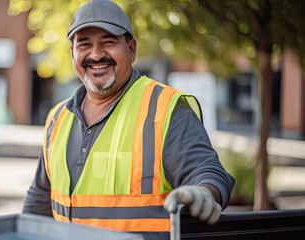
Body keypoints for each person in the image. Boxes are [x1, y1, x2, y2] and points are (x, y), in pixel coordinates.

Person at [23, 0, 235, 239]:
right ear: (72, 53)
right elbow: (39, 204)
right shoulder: (57, 119)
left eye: (108, 42)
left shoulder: (164, 109)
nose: (96, 54)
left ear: (132, 49)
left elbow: (207, 171)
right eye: (84, 44)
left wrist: (204, 193)